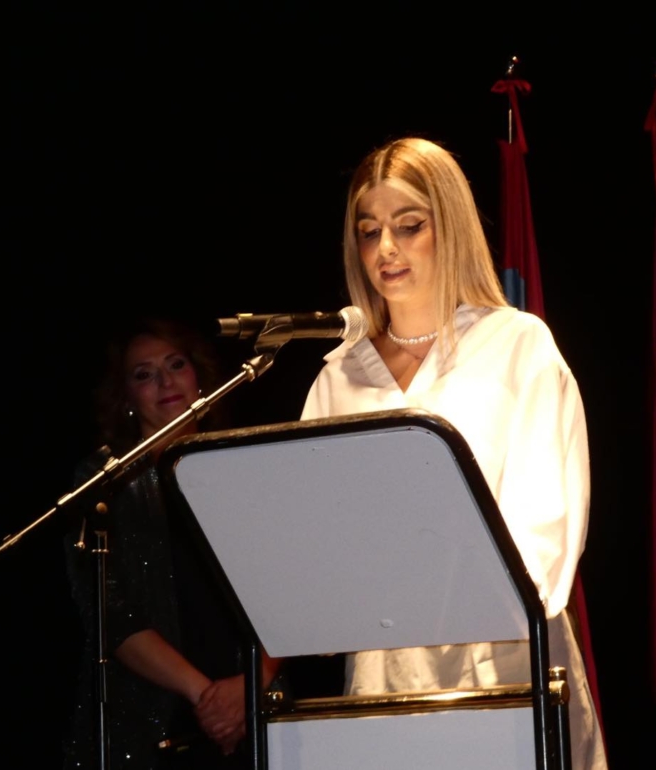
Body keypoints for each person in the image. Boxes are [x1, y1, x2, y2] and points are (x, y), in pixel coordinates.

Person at [301, 137, 607, 769]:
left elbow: (545, 524)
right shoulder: (339, 376)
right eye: (369, 232)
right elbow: (319, 542)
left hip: (503, 658)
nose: (386, 248)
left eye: (409, 226)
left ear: (452, 226)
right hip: (386, 670)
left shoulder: (515, 346)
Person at [62, 316, 279, 770]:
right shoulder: (103, 484)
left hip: (256, 709)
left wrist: (251, 684)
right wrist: (208, 699)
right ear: (125, 396)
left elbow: (293, 590)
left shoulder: (246, 464)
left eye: (176, 364)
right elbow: (111, 616)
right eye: (144, 374)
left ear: (198, 375)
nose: (165, 381)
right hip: (152, 721)